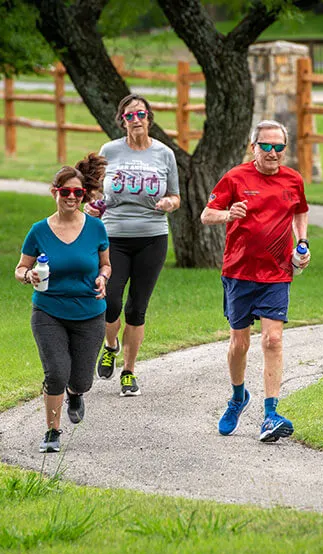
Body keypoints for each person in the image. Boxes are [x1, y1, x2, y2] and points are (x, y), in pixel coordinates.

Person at [200, 120, 310, 443]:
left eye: (279, 147)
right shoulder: (236, 178)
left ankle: (270, 414)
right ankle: (237, 398)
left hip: (276, 273)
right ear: (253, 147)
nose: (273, 153)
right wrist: (227, 214)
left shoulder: (293, 180)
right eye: (266, 146)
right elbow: (207, 214)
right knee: (240, 344)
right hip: (238, 272)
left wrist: (302, 242)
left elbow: (300, 211)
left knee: (272, 340)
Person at [83, 94, 181, 397]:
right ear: (122, 120)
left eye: (140, 114)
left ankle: (128, 371)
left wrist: (168, 202)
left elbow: (176, 196)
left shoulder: (165, 154)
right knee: (109, 302)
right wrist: (91, 207)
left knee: (137, 308)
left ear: (149, 117)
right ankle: (110, 345)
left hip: (152, 237)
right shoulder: (109, 150)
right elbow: (93, 192)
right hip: (113, 237)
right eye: (129, 116)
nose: (135, 120)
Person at [15, 154, 112, 453]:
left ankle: (75, 392)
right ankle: (52, 432)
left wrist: (102, 279)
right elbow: (19, 268)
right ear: (55, 192)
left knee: (81, 379)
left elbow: (105, 265)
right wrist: (28, 274)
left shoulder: (96, 228)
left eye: (78, 193)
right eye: (65, 192)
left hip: (89, 313)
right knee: (56, 372)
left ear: (84, 195)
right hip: (49, 310)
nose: (72, 197)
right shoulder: (39, 230)